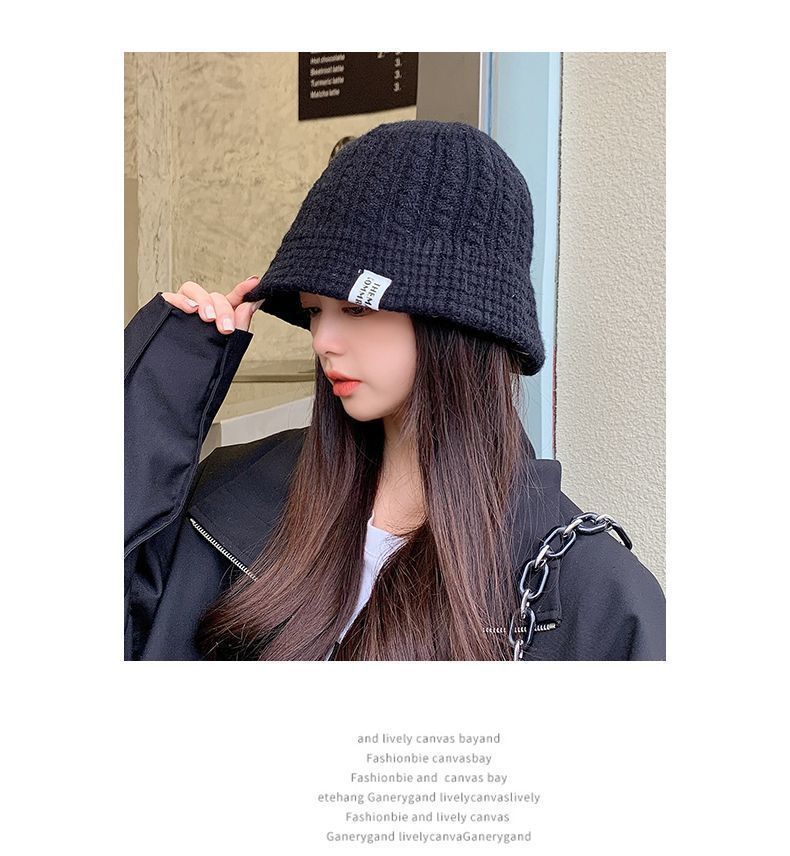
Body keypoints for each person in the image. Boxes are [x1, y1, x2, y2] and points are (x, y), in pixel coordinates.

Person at [124, 119, 665, 661]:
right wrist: (168, 379)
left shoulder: (592, 597)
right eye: (314, 311)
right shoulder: (232, 496)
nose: (323, 341)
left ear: (456, 322)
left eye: (356, 309)